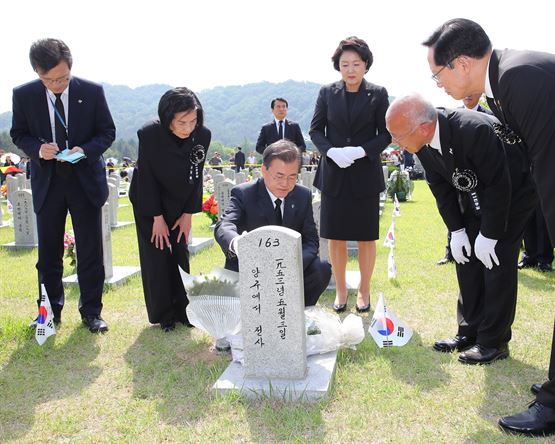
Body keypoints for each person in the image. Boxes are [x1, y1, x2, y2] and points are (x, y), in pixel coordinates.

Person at [423, 18, 555, 436]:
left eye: (438, 75)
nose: (439, 86)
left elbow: (550, 161)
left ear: (462, 64)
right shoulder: (505, 81)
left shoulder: (519, 78)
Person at [386, 93, 536, 364]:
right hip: (474, 194)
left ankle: (494, 341)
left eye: (397, 135)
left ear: (423, 127)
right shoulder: (422, 144)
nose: (395, 142)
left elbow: (499, 186)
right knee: (465, 258)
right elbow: (441, 190)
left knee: (496, 260)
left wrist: (489, 234)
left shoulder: (473, 130)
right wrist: (456, 231)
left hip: (514, 194)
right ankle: (469, 330)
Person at [11, 38, 115, 333]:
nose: (57, 84)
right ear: (37, 73)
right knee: (48, 254)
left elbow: (107, 132)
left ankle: (92, 312)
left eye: (63, 78)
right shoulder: (24, 95)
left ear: (70, 68)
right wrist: (37, 148)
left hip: (84, 182)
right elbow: (19, 133)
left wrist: (84, 150)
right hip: (48, 182)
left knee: (90, 251)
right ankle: (48, 313)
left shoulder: (92, 91)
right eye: (50, 80)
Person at [309, 36, 391, 313]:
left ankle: (364, 291)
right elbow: (316, 130)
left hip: (365, 175)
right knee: (337, 237)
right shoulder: (326, 93)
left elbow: (386, 133)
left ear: (366, 65)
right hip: (334, 174)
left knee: (367, 237)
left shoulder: (378, 94)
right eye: (345, 64)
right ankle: (341, 290)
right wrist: (331, 152)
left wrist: (360, 151)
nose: (351, 69)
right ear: (338, 66)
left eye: (356, 63)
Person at [129, 87, 210, 332]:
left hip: (181, 202)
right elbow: (147, 178)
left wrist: (188, 214)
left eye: (193, 121)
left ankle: (184, 310)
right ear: (167, 119)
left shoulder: (202, 136)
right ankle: (163, 313)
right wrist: (157, 217)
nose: (188, 128)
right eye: (181, 122)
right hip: (149, 202)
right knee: (157, 253)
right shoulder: (150, 134)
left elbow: (196, 177)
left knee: (179, 251)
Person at [214, 139, 331, 307]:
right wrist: (238, 243)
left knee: (321, 269)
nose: (285, 184)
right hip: (251, 269)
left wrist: (289, 264)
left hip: (288, 267)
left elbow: (311, 240)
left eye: (292, 177)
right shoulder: (244, 193)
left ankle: (297, 313)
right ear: (264, 170)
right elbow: (224, 225)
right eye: (279, 176)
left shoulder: (302, 195)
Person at [436, 93, 493, 266]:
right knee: (454, 213)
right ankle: (450, 252)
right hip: (457, 179)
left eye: (471, 93)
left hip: (481, 180)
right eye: (464, 94)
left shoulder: (489, 116)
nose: (467, 97)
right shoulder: (452, 116)